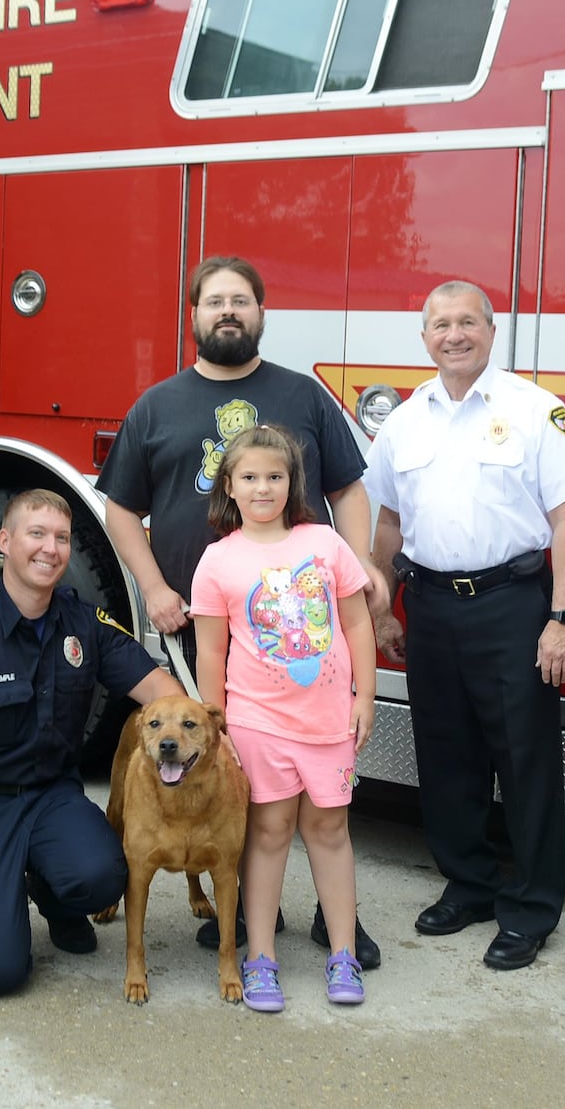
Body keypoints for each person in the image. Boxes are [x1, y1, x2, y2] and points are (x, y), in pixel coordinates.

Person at [97, 254, 385, 966]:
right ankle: (249, 906)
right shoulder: (156, 405)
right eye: (214, 301)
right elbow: (120, 508)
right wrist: (156, 589)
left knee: (321, 796)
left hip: (304, 631)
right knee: (242, 763)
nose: (228, 311)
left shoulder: (305, 396)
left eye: (241, 301)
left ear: (262, 312)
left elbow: (347, 488)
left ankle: (331, 916)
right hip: (206, 622)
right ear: (193, 315)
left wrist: (362, 565)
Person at [364, 279, 565, 973]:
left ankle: (529, 907)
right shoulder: (405, 420)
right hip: (431, 604)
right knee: (445, 754)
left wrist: (563, 617)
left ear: (492, 330)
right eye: (440, 324)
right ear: (425, 337)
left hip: (512, 603)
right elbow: (386, 519)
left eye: (466, 321)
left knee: (524, 759)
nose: (453, 334)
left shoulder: (535, 409)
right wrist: (381, 606)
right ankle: (469, 883)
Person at [0, 489, 185, 997]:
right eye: (36, 534)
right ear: (5, 541)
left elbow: (162, 693)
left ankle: (51, 894)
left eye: (61, 538)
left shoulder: (84, 625)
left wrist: (187, 731)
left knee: (104, 875)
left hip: (51, 796)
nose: (50, 549)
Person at [190, 426, 376, 1011]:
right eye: (249, 477)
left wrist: (364, 696)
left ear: (292, 481)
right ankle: (261, 959)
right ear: (230, 486)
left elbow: (355, 624)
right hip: (256, 726)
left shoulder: (324, 543)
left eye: (275, 476)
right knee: (268, 834)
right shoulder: (218, 560)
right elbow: (212, 653)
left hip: (328, 724)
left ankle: (343, 953)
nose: (263, 487)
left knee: (330, 832)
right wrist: (214, 729)